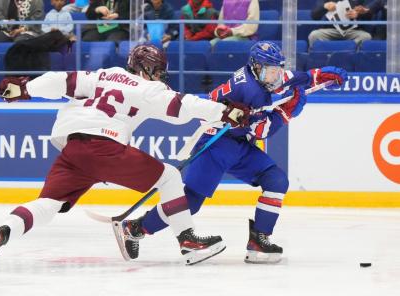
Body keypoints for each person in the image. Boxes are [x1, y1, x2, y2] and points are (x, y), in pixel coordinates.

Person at [0, 44, 250, 270]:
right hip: (103, 146)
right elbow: (181, 106)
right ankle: (188, 242)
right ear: (147, 68)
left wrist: (25, 88)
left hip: (73, 149)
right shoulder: (146, 87)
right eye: (157, 71)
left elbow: (61, 81)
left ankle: (1, 232)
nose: (160, 77)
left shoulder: (100, 74)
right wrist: (224, 112)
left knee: (49, 203)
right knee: (169, 177)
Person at [117, 41, 348, 263]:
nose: (275, 76)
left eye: (276, 71)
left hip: (238, 144)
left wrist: (319, 75)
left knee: (276, 180)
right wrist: (286, 113)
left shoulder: (260, 76)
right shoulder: (249, 89)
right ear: (257, 68)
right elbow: (260, 130)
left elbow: (288, 79)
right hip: (216, 143)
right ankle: (135, 228)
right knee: (191, 202)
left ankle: (259, 240)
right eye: (271, 72)